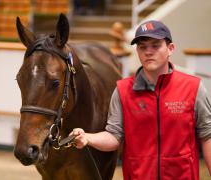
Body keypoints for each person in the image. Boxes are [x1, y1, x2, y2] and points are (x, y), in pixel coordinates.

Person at [70, 20, 211, 179]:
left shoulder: (193, 88)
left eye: (155, 45)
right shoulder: (123, 91)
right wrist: (87, 137)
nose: (148, 52)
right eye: (142, 47)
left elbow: (207, 136)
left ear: (170, 48)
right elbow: (114, 136)